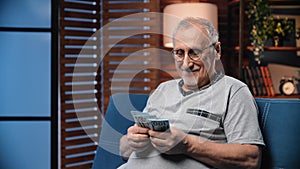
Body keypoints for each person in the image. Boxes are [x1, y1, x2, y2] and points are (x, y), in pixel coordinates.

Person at [118, 17, 265, 169]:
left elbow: (251, 159)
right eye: (180, 53)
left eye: (195, 53)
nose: (187, 64)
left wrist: (187, 145)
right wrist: (131, 142)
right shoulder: (162, 89)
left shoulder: (234, 91)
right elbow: (124, 151)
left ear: (217, 51)